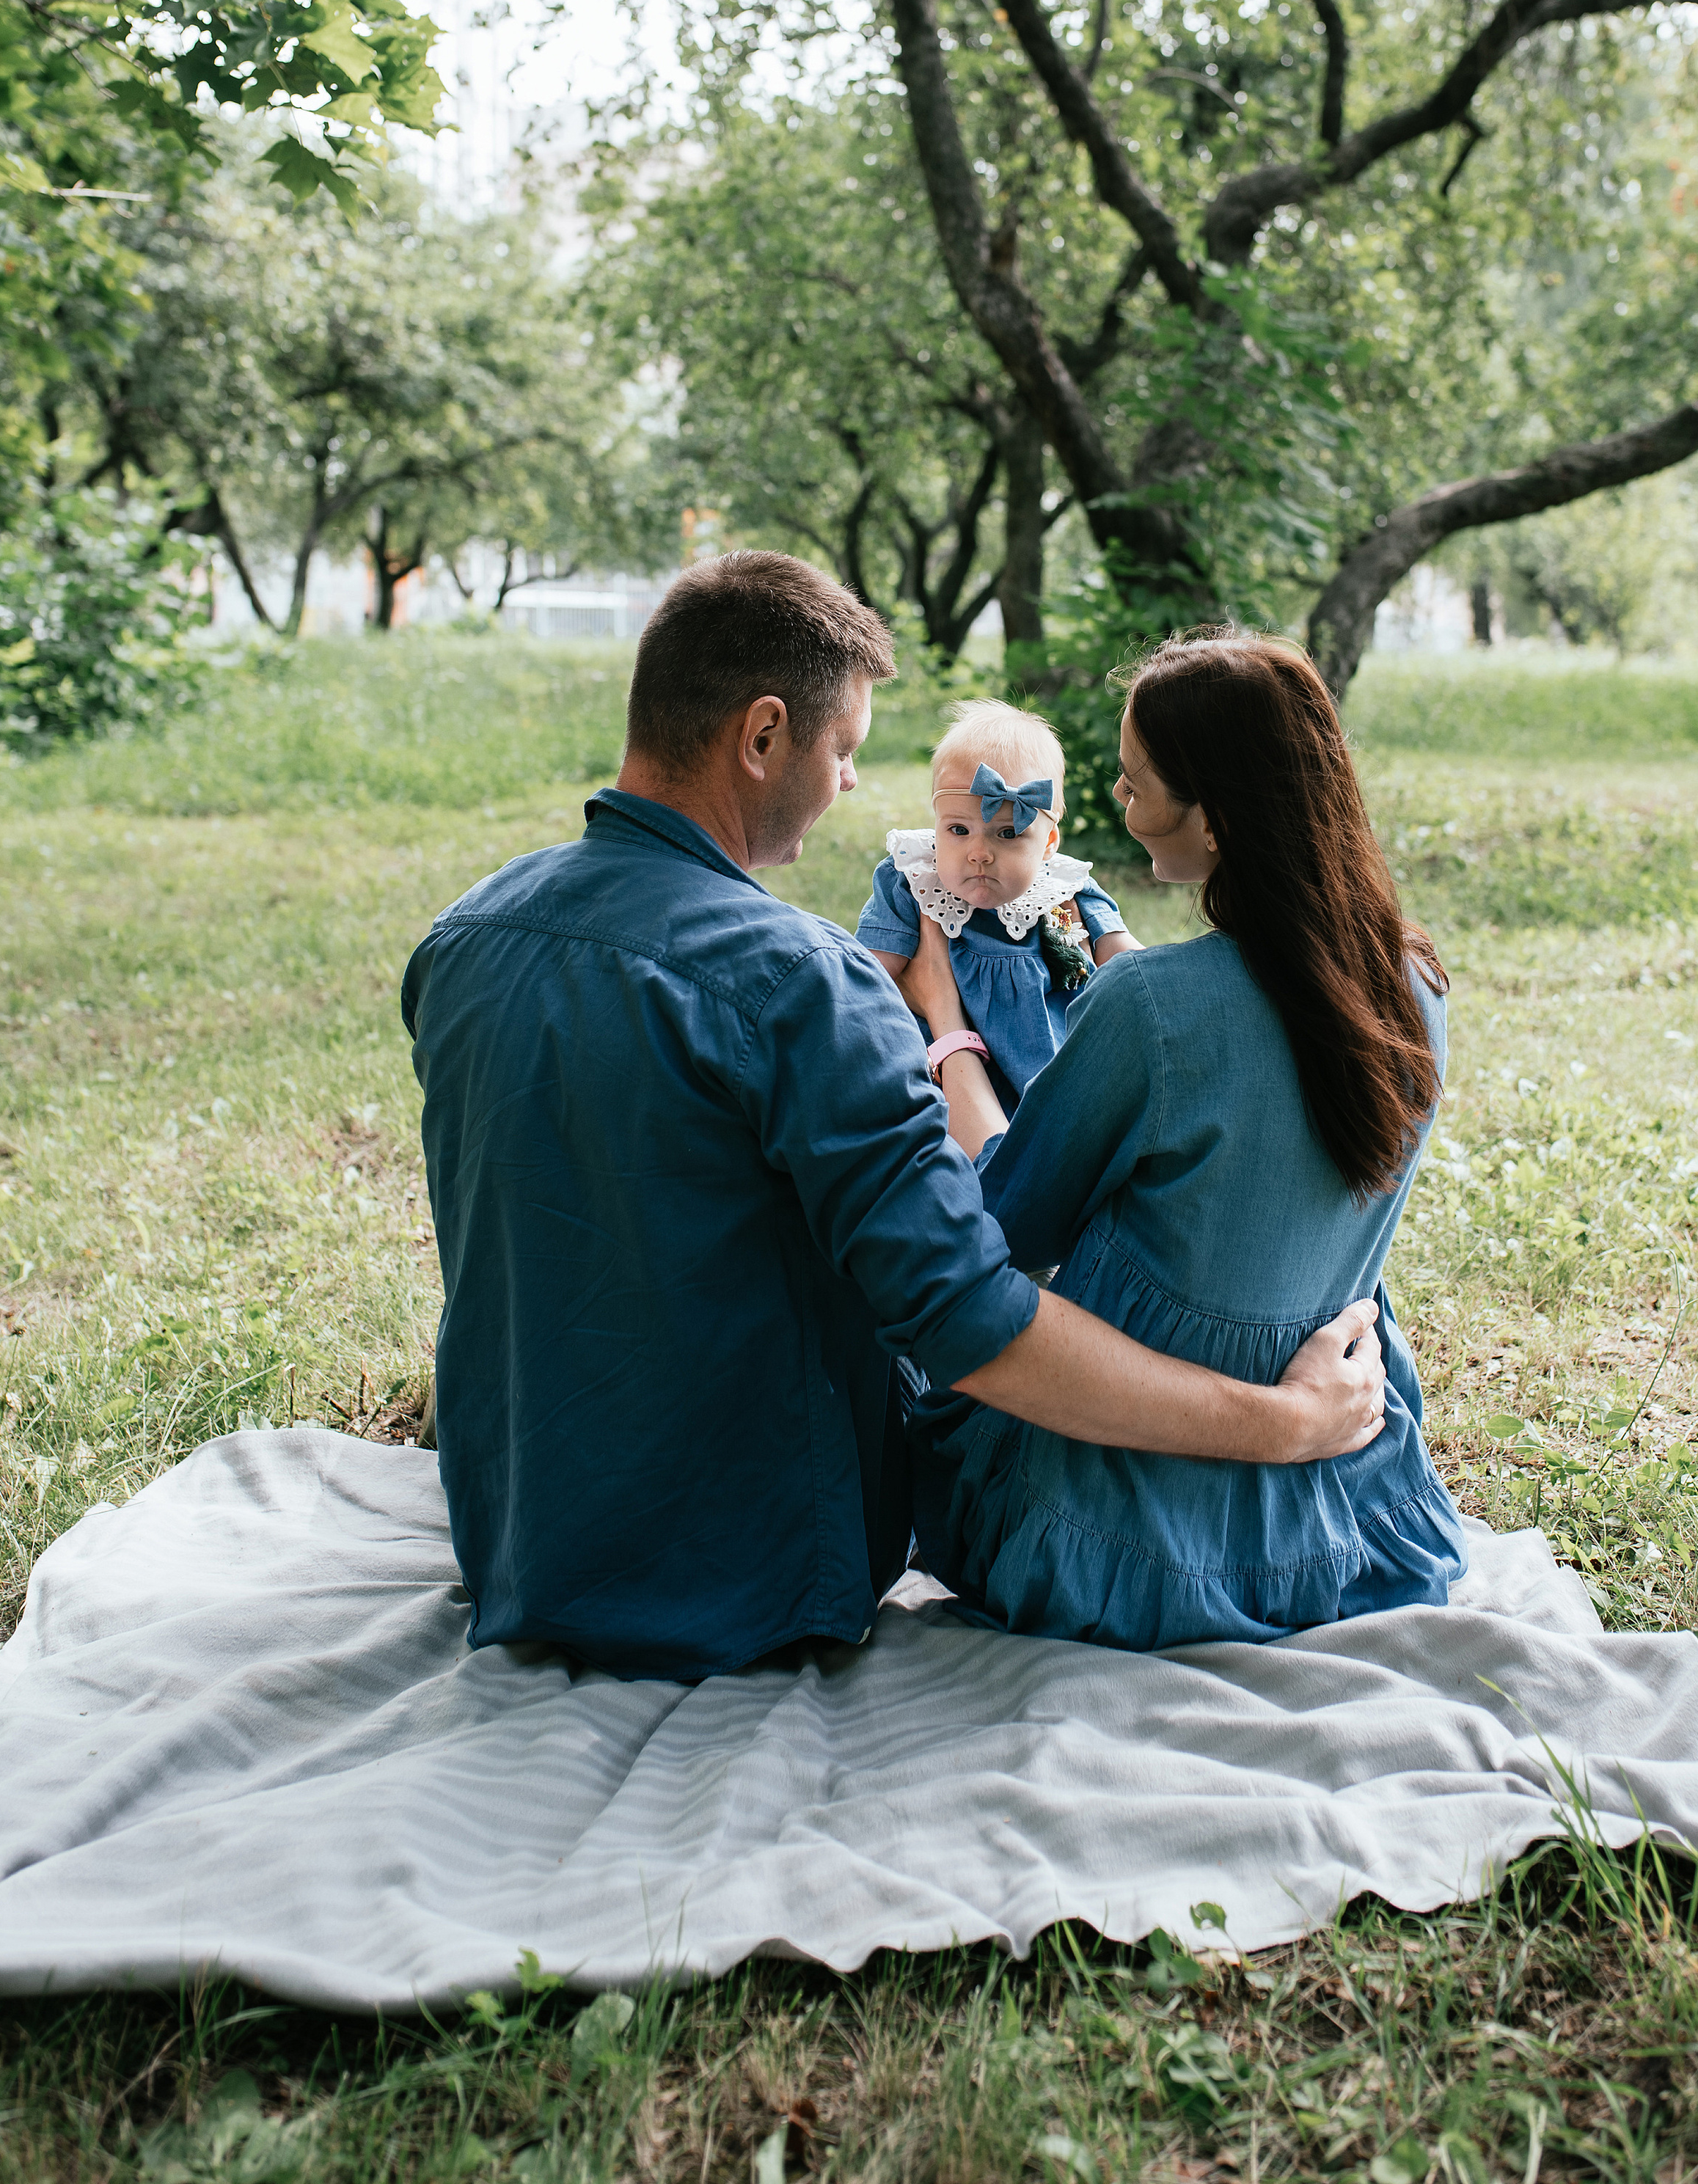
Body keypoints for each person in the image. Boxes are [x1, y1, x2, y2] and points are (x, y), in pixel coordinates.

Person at [401, 554, 1393, 1682]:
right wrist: (1286, 1423)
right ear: (763, 735)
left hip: (521, 1545)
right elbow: (972, 1323)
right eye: (844, 750)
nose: (849, 783)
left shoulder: (462, 940)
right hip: (751, 1581)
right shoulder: (805, 986)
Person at [904, 629, 1469, 1651]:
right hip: (1347, 1519)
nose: (1118, 802)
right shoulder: (1414, 985)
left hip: (1118, 1540)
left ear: (1213, 817)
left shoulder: (1152, 1010)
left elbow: (1001, 1229)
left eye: (1134, 783)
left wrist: (947, 1033)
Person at [856, 699, 1141, 1109]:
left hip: (1058, 1080)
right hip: (944, 1083)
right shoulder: (913, 880)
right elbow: (868, 975)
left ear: (1048, 843)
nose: (979, 853)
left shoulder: (1065, 887)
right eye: (959, 830)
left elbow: (1129, 963)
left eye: (1007, 834)